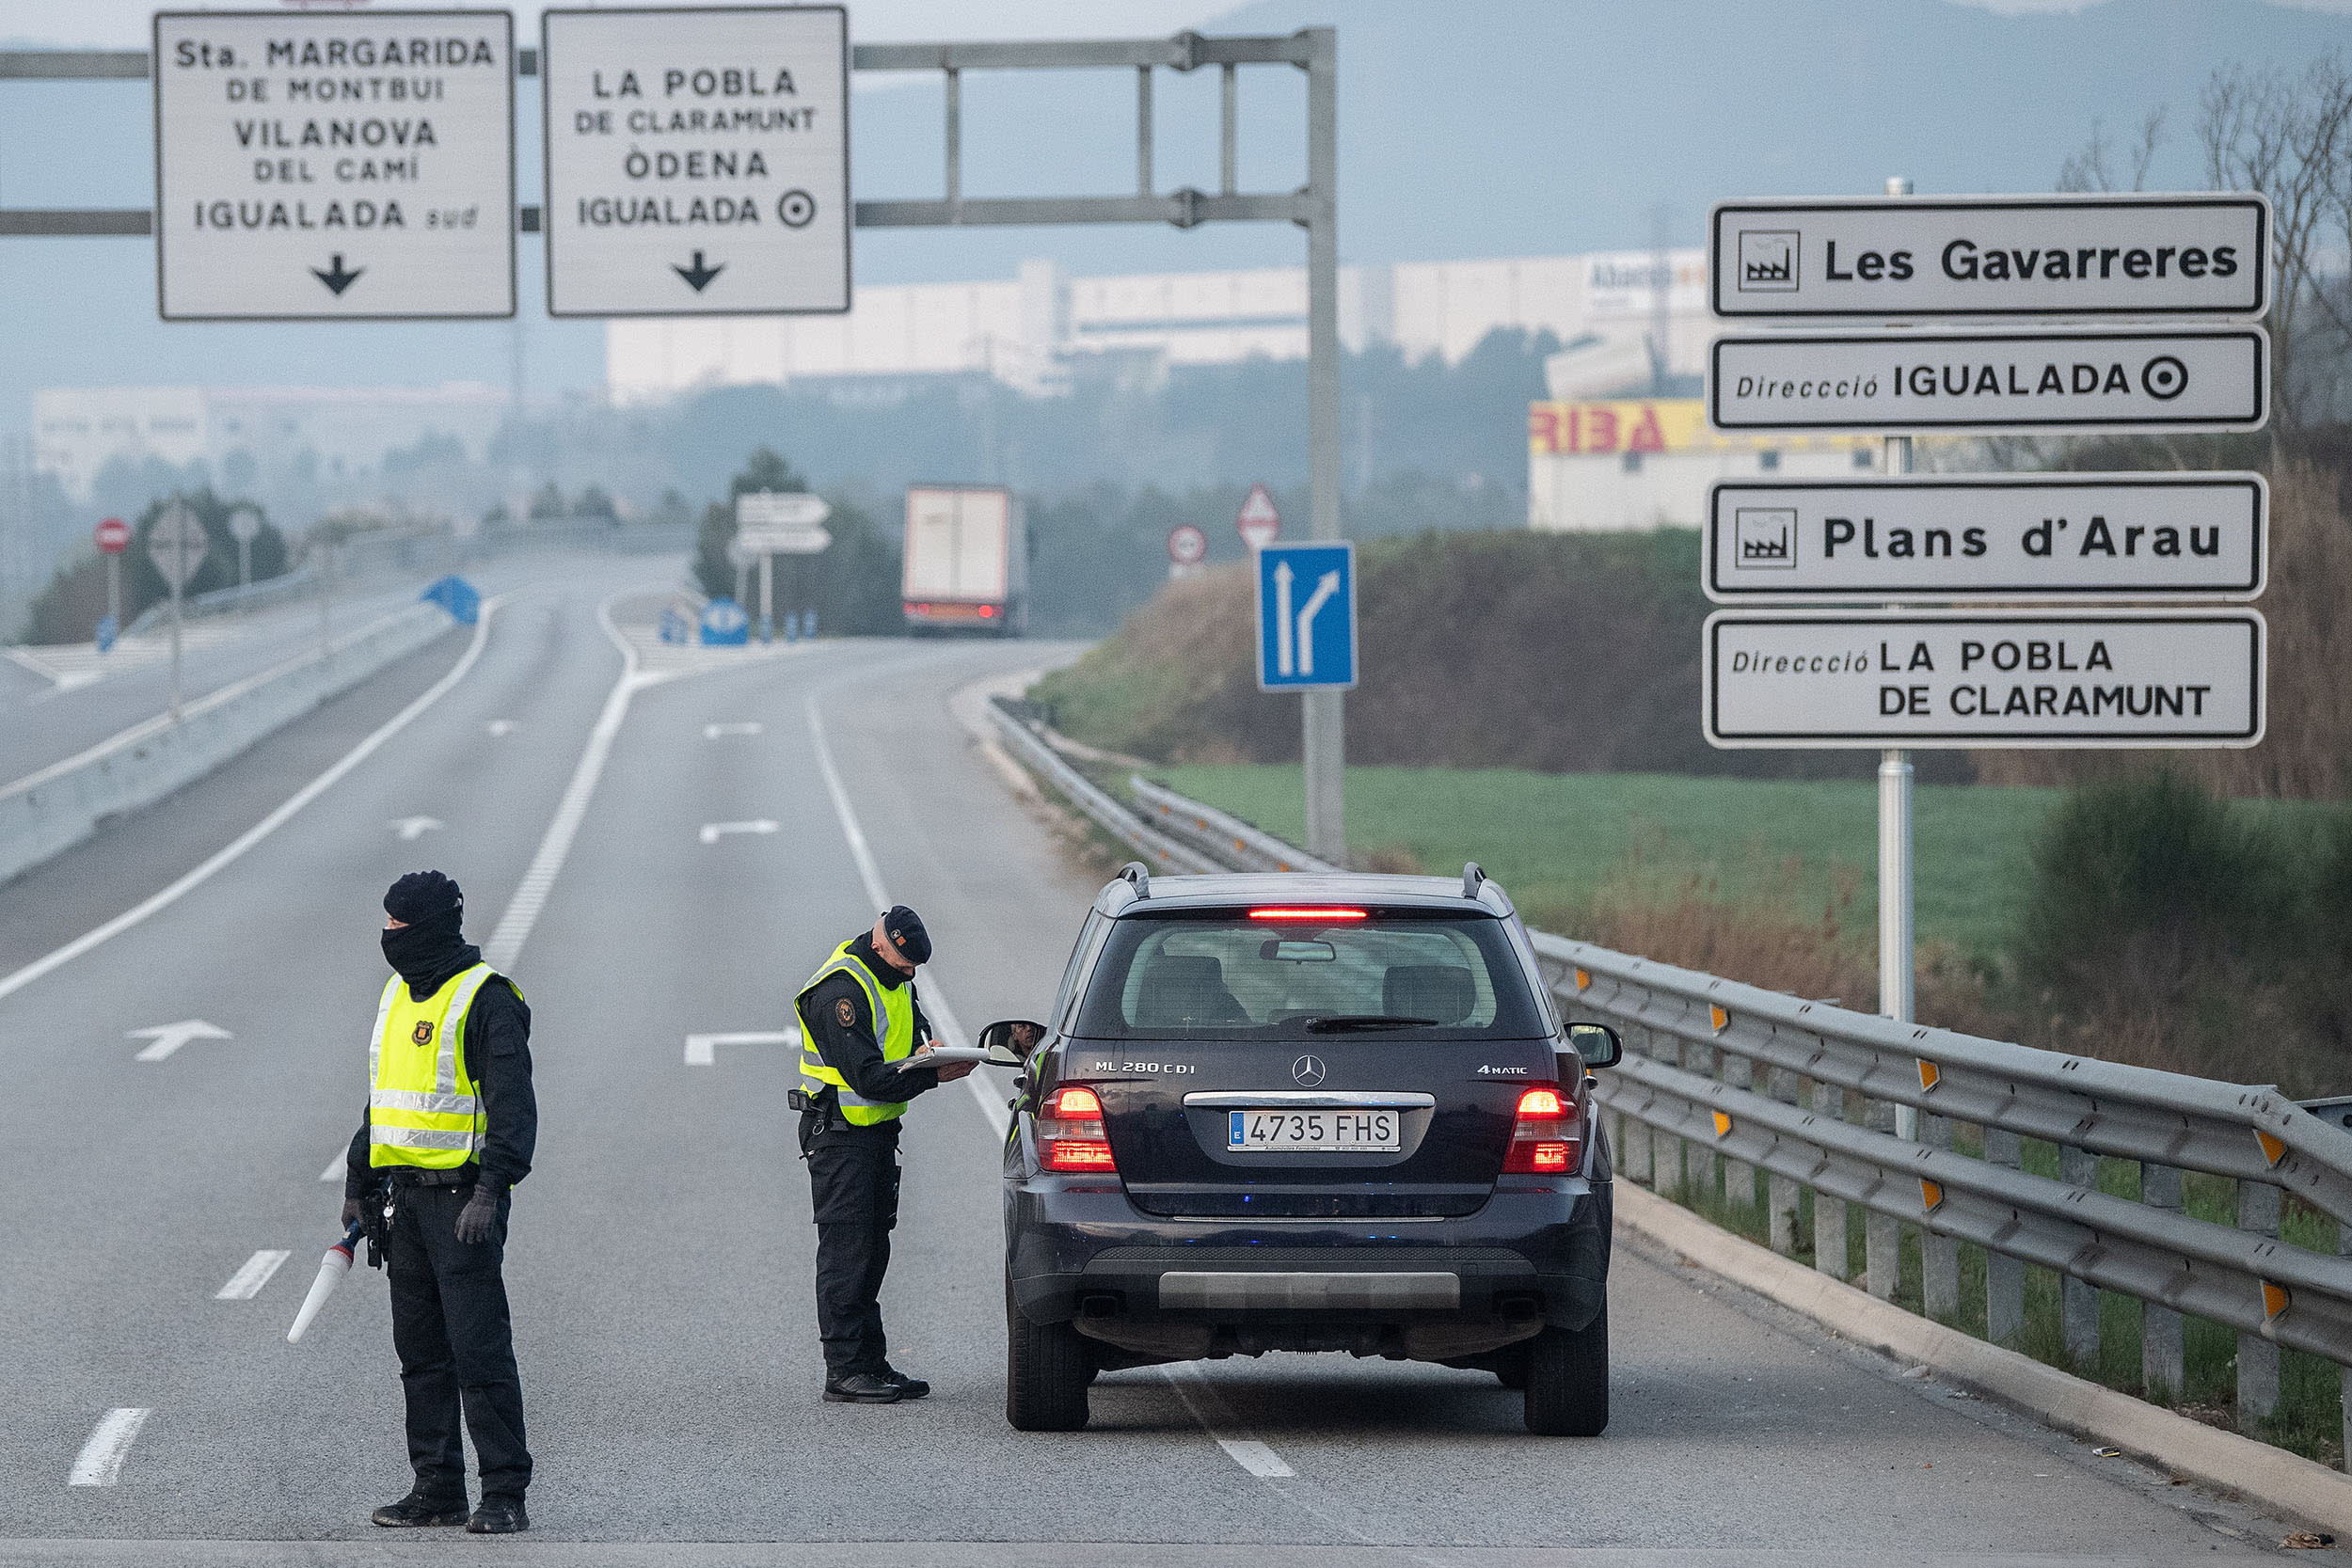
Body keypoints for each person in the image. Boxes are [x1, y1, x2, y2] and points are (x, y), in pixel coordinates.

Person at [342, 871, 537, 1534]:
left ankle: (504, 1491)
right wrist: (357, 1182)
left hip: (463, 1203)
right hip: (405, 1204)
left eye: (397, 926)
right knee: (421, 1354)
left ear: (425, 928)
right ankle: (436, 1487)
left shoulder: (487, 999)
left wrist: (492, 1189)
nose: (388, 938)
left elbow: (513, 1111)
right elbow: (384, 1099)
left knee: (478, 1350)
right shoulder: (396, 995)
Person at [794, 905, 975, 1404]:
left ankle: (871, 1363)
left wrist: (928, 1051)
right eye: (904, 965)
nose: (910, 974)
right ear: (880, 945)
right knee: (846, 1254)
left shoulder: (893, 979)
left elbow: (911, 1036)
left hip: (875, 1138)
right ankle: (845, 1371)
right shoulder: (840, 992)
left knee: (873, 1251)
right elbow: (868, 1078)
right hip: (839, 1138)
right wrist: (933, 1074)